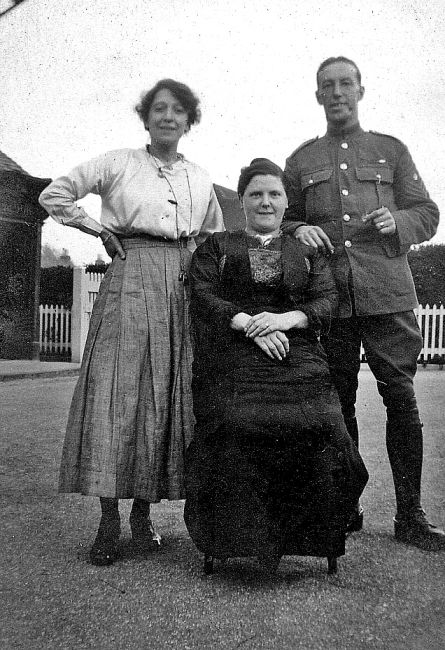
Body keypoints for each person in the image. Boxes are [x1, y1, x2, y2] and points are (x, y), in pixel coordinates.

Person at [39, 79, 224, 566]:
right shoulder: (118, 162)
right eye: (159, 109)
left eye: (178, 110)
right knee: (117, 393)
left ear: (189, 121)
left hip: (181, 286)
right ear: (146, 118)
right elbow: (54, 196)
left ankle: (143, 518)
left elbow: (214, 238)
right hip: (130, 272)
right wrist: (97, 228)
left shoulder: (201, 178)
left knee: (163, 395)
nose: (168, 117)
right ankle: (108, 522)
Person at [283, 56, 444, 550]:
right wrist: (297, 228)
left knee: (400, 395)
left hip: (386, 292)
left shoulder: (390, 149)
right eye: (327, 86)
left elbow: (427, 212)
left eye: (345, 84)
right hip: (329, 297)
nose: (337, 93)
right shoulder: (301, 160)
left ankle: (410, 514)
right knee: (338, 401)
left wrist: (400, 222)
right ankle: (345, 507)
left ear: (360, 90)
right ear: (317, 96)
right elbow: (282, 217)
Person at [184, 158, 368, 574]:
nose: (265, 203)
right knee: (234, 420)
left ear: (287, 202)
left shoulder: (305, 251)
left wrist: (283, 320)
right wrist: (250, 324)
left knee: (324, 423)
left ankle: (314, 535)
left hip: (297, 354)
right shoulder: (217, 247)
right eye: (255, 194)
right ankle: (234, 537)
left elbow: (326, 299)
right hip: (234, 355)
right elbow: (203, 294)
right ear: (242, 200)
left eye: (274, 194)